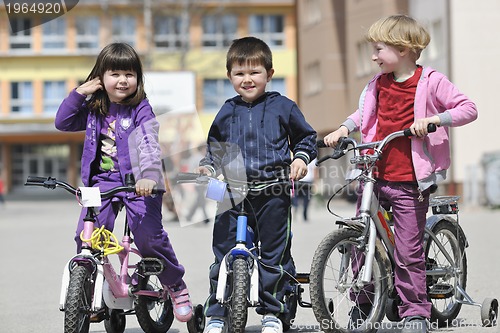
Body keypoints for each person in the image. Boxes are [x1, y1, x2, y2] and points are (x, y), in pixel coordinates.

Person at [323, 15, 477, 333]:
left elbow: (468, 108)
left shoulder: (431, 81)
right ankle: (364, 303)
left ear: (404, 49)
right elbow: (362, 113)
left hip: (410, 182)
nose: (374, 56)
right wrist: (343, 127)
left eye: (379, 49)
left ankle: (416, 312)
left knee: (407, 252)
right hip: (373, 177)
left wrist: (435, 119)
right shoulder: (376, 85)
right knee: (359, 240)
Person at [54, 42, 193, 322]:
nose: (122, 80)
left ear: (138, 79)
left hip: (140, 182)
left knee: (148, 238)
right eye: (115, 73)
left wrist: (149, 175)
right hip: (101, 184)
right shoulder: (94, 108)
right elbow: (63, 122)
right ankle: (89, 293)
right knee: (87, 237)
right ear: (100, 78)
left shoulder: (140, 108)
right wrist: (80, 92)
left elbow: (148, 141)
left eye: (129, 74)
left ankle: (175, 285)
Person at [197, 36, 317, 333]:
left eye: (254, 72)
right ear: (229, 76)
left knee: (273, 256)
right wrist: (208, 166)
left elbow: (306, 138)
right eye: (239, 73)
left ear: (269, 74)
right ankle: (217, 311)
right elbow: (215, 147)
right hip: (232, 192)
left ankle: (272, 312)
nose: (247, 79)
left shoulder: (283, 107)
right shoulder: (227, 110)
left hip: (273, 191)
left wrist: (300, 158)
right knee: (223, 254)